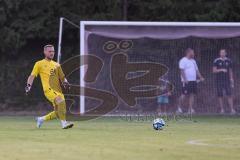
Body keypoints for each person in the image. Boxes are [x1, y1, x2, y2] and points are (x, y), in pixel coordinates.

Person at [25, 44, 74, 129]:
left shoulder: (57, 65)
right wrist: (28, 86)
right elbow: (32, 76)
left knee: (59, 112)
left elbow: (62, 77)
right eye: (50, 51)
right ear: (45, 52)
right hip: (48, 89)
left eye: (53, 51)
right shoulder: (39, 64)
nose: (52, 53)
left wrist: (66, 83)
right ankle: (64, 123)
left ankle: (41, 119)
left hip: (58, 90)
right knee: (60, 100)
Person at [177, 48, 204, 114]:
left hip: (193, 81)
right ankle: (179, 108)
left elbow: (197, 70)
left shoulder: (193, 61)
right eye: (192, 52)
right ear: (188, 53)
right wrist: (185, 79)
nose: (193, 54)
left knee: (192, 95)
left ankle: (190, 109)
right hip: (186, 81)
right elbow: (182, 71)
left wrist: (201, 77)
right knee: (184, 95)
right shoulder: (183, 60)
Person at [213, 49, 236, 114]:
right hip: (219, 81)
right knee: (220, 95)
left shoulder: (229, 60)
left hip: (227, 81)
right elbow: (214, 71)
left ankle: (232, 109)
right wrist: (221, 70)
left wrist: (231, 79)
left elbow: (230, 71)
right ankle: (222, 110)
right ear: (219, 53)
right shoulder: (216, 61)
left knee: (229, 94)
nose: (222, 54)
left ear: (226, 53)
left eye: (223, 52)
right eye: (221, 52)